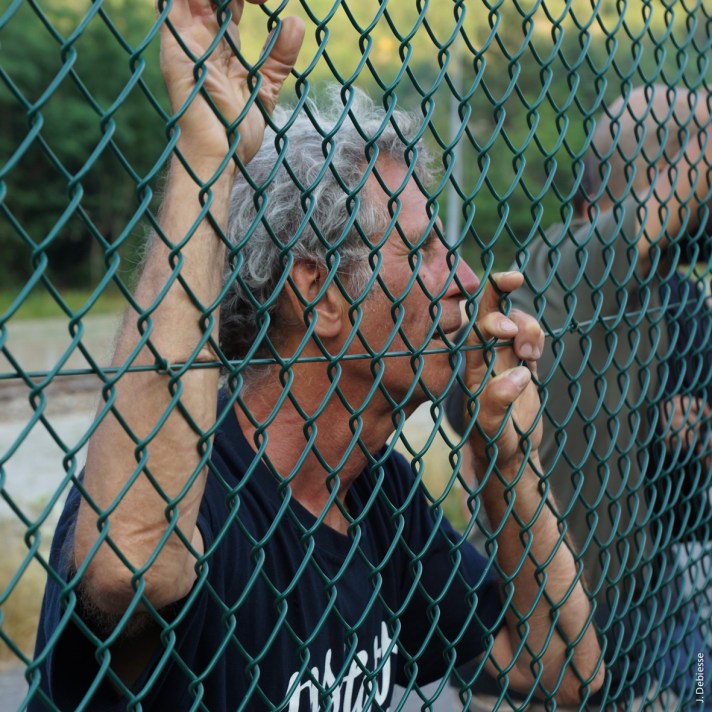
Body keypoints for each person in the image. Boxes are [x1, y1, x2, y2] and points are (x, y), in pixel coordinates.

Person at [27, 1, 607, 709]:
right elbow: (132, 565)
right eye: (423, 249)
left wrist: (507, 462)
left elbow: (564, 671)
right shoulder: (198, 488)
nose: (462, 277)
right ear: (321, 292)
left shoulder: (377, 496)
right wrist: (207, 160)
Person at [446, 84, 711, 709]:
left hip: (637, 600)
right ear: (659, 180)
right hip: (536, 627)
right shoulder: (575, 261)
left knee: (702, 685)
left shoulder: (659, 290)